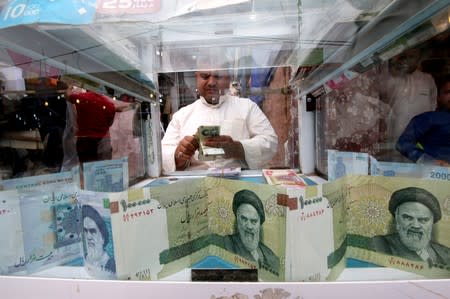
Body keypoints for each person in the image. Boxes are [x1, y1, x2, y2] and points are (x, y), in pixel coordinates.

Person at [161, 64, 278, 172]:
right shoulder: (182, 116)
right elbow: (163, 154)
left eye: (218, 76)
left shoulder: (247, 107)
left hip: (239, 183)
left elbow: (270, 142)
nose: (211, 82)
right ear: (196, 77)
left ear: (228, 79)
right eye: (205, 76)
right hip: (195, 186)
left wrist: (237, 148)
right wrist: (179, 155)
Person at [371, 187, 450, 267]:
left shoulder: (446, 252)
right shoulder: (379, 245)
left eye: (423, 220)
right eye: (408, 218)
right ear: (397, 219)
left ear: (432, 222)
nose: (415, 225)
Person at [380, 47, 437, 152]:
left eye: (412, 57)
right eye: (404, 56)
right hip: (391, 143)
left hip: (419, 144)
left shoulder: (428, 80)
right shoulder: (389, 78)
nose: (407, 60)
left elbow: (432, 110)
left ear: (419, 58)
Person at [396, 75, 450, 164]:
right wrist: (429, 161)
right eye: (448, 92)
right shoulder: (429, 118)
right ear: (438, 97)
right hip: (436, 174)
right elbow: (403, 143)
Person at [223, 189, 280, 274]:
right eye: (244, 219)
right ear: (237, 219)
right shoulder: (225, 243)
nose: (249, 226)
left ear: (260, 224)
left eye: (253, 221)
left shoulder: (272, 258)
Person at [65, 89, 116, 164]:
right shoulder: (109, 104)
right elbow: (110, 123)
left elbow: (67, 96)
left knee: (87, 168)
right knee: (104, 168)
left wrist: (69, 85)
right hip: (103, 140)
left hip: (85, 140)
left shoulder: (81, 97)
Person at [82, 205, 116, 274]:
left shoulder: (111, 265)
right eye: (85, 231)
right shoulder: (85, 258)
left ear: (103, 237)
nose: (88, 237)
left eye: (93, 231)